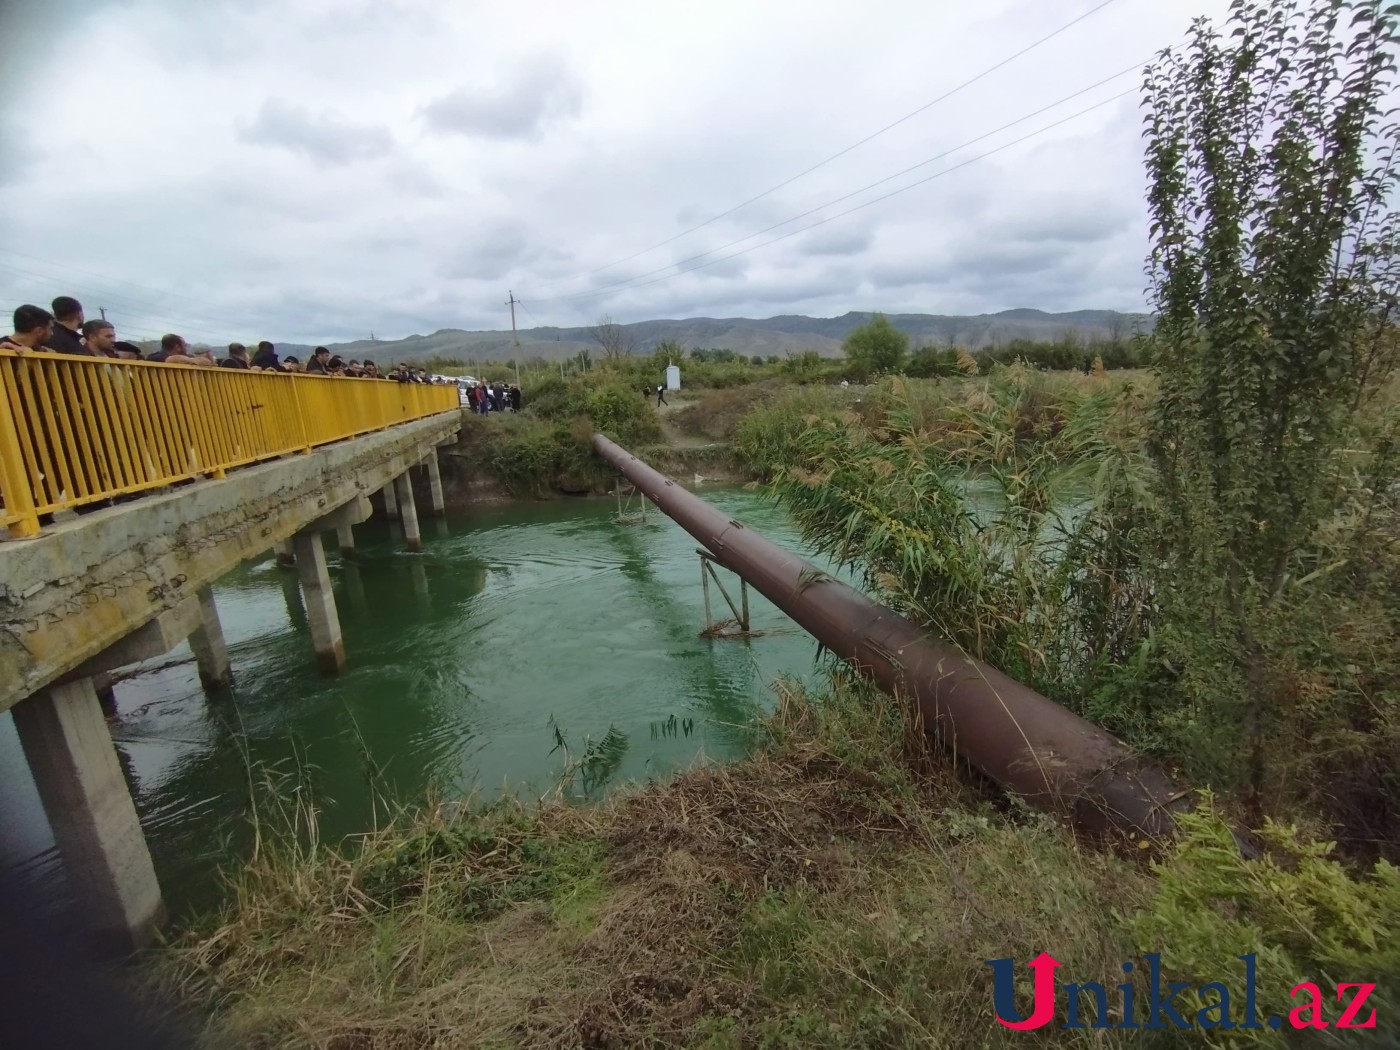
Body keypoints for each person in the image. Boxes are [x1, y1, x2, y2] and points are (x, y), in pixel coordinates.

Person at [150, 333, 214, 366]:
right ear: (178, 347)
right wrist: (192, 361)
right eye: (184, 346)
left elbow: (206, 362)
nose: (186, 348)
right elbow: (171, 359)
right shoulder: (155, 358)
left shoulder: (186, 358)